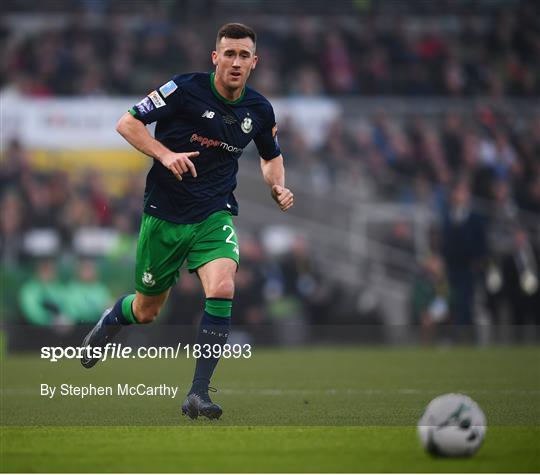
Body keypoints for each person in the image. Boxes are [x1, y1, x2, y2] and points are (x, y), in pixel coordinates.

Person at [80, 23, 294, 420]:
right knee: (146, 311)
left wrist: (277, 186)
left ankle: (198, 392)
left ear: (254, 63)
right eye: (228, 53)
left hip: (214, 212)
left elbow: (270, 155)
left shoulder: (259, 110)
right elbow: (127, 122)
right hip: (165, 214)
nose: (235, 62)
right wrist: (164, 154)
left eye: (243, 55)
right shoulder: (183, 88)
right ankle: (113, 318)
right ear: (215, 58)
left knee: (224, 285)